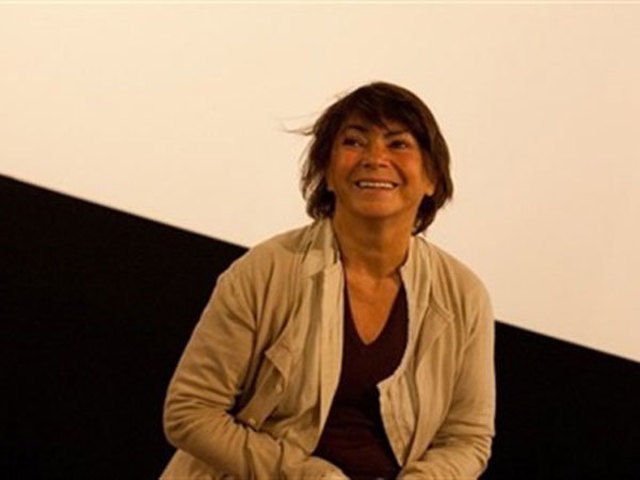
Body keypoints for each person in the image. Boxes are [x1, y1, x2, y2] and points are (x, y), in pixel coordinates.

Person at [161, 82, 495, 480]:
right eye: (354, 141)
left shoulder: (463, 295)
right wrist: (304, 475)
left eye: (398, 144)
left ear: (432, 178)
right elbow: (190, 412)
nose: (375, 158)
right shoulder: (264, 271)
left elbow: (467, 438)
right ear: (328, 174)